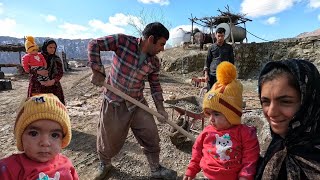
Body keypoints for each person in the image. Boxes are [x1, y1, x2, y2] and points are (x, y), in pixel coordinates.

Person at [87, 22, 177, 180]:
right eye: (161, 44)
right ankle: (105, 164)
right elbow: (94, 44)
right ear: (150, 39)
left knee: (151, 135)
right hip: (114, 101)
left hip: (137, 102)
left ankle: (155, 169)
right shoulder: (122, 42)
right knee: (108, 138)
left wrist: (160, 109)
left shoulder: (154, 63)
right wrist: (97, 70)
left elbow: (155, 85)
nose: (162, 49)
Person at [183, 61, 260, 180]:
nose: (211, 119)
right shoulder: (207, 131)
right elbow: (197, 151)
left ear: (232, 115)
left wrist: (245, 175)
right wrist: (191, 169)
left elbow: (250, 157)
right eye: (209, 113)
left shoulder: (244, 133)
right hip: (207, 176)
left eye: (217, 114)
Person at [255, 59, 320, 179]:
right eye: (265, 101)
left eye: (285, 102)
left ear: (308, 102)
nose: (271, 112)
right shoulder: (278, 145)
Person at [0, 93, 78, 180]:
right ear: (20, 137)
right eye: (34, 133)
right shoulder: (9, 169)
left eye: (54, 135)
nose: (45, 143)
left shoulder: (67, 166)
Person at [27, 39, 65, 104]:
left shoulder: (56, 59)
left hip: (53, 87)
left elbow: (60, 72)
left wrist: (53, 81)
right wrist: (38, 72)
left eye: (54, 47)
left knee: (54, 107)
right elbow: (28, 69)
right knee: (38, 107)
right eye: (50, 47)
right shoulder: (36, 57)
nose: (52, 49)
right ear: (45, 47)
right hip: (38, 86)